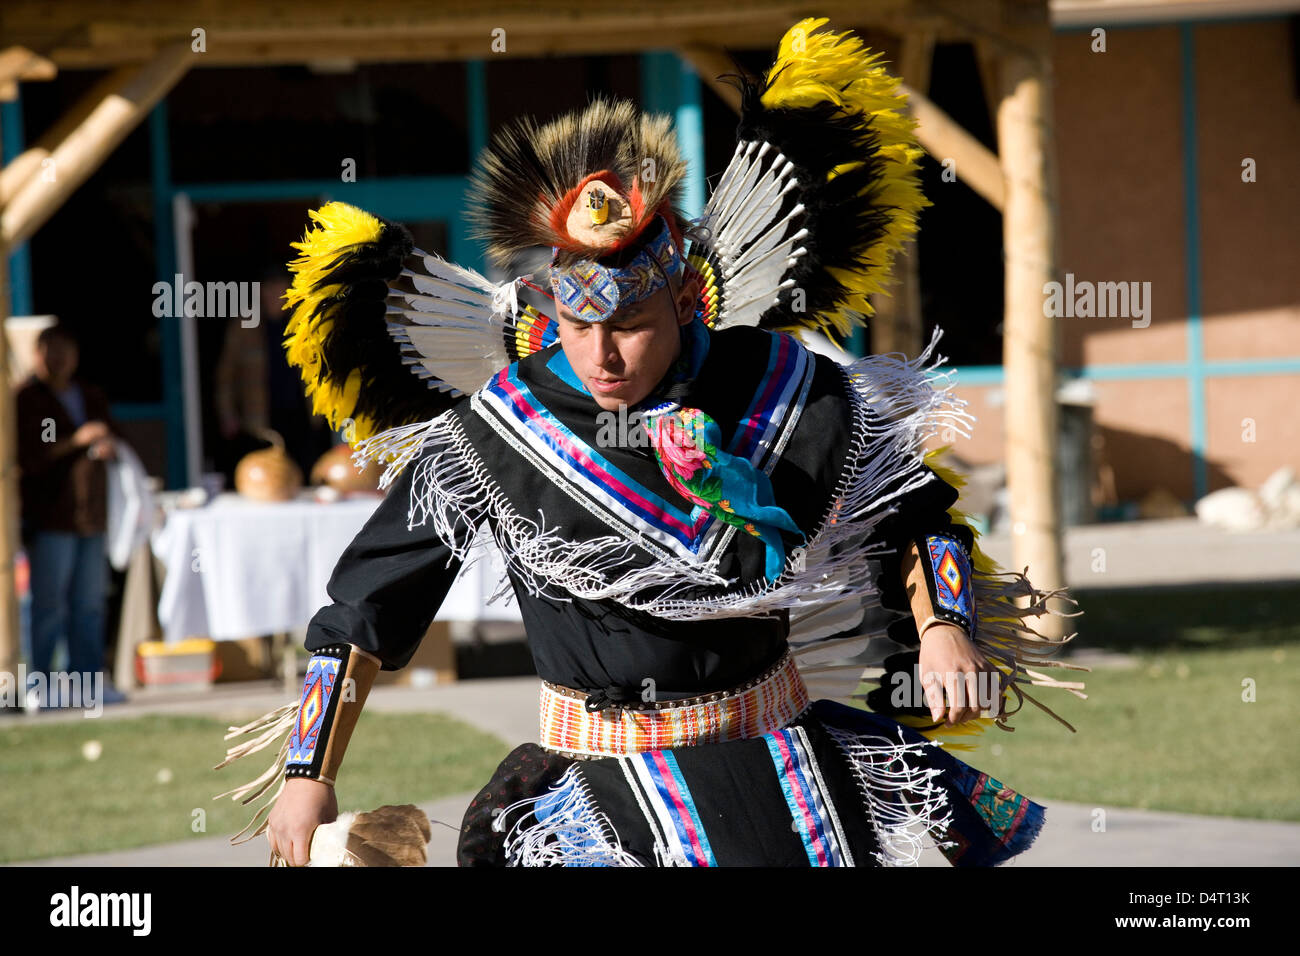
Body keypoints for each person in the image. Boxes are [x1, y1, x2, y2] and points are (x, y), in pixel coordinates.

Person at [218, 17, 1082, 867]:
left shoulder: (784, 390)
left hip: (779, 757)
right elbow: (367, 608)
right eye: (575, 327)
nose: (601, 355)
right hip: (595, 785)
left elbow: (915, 516)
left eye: (629, 325)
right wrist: (307, 770)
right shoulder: (497, 434)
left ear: (682, 303)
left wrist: (945, 630)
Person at [15, 323, 128, 709]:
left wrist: (107, 445)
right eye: (50, 350)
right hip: (52, 520)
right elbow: (33, 455)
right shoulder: (29, 399)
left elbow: (116, 437)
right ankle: (41, 683)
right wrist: (76, 441)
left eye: (65, 349)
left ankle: (87, 684)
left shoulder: (90, 395)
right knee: (48, 605)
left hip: (91, 517)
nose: (59, 358)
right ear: (37, 355)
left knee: (90, 605)